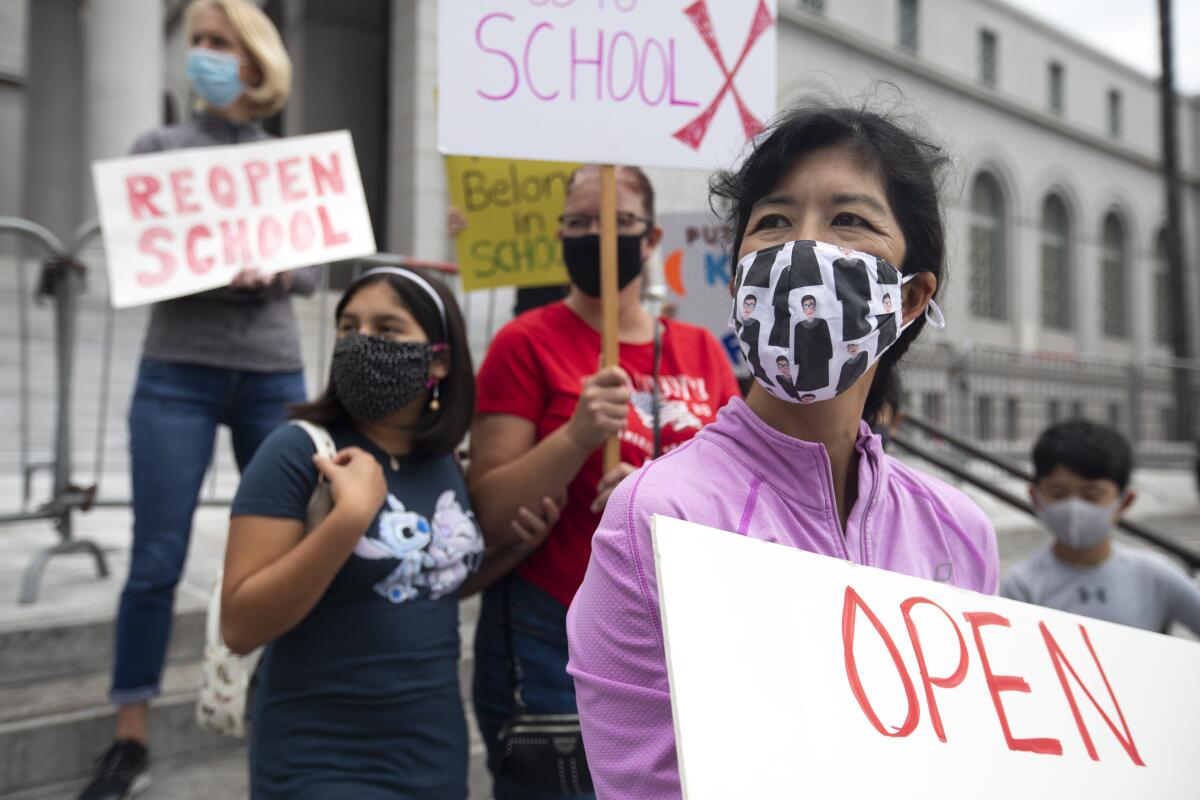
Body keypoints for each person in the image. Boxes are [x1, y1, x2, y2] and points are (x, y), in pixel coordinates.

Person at [566, 105, 999, 799]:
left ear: (911, 297)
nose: (803, 248)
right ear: (738, 285)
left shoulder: (960, 533)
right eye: (772, 222)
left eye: (848, 220)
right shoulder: (654, 516)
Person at [81, 3, 313, 797]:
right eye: (198, 43)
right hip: (175, 371)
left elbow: (315, 268)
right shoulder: (158, 150)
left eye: (221, 43)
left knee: (293, 545)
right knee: (155, 559)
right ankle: (130, 739)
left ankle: (286, 705)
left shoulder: (286, 160)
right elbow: (137, 255)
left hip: (271, 371)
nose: (206, 56)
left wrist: (281, 269)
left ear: (254, 60)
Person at [219, 266, 556, 797]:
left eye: (387, 328)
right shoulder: (297, 452)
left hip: (433, 756)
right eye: (348, 327)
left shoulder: (441, 459)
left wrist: (512, 550)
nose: (361, 342)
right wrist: (349, 519)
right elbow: (240, 625)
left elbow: (422, 580)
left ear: (439, 360)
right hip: (320, 760)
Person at [468, 164, 741, 800]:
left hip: (679, 635)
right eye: (581, 223)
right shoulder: (523, 344)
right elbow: (488, 512)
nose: (596, 236)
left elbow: (740, 493)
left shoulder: (703, 352)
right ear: (560, 235)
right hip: (551, 632)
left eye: (617, 223)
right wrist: (576, 438)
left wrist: (651, 490)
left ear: (650, 240)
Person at [1001, 420, 1200, 635]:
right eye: (1058, 493)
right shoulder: (1019, 586)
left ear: (1125, 501)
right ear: (1035, 497)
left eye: (1091, 495)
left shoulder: (1156, 576)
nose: (1074, 508)